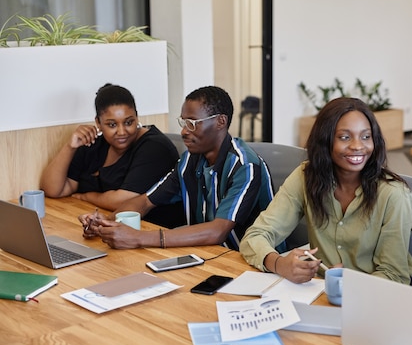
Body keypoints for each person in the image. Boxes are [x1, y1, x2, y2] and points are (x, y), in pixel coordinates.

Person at [240, 97, 412, 284]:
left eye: (366, 136)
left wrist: (348, 283)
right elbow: (256, 235)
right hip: (319, 291)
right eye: (345, 137)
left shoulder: (394, 195)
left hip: (371, 297)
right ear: (325, 141)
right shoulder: (306, 176)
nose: (357, 146)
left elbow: (394, 275)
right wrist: (278, 263)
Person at [79, 85, 275, 251]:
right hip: (205, 255)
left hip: (249, 263)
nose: (183, 132)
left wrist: (139, 238)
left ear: (220, 122)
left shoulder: (245, 166)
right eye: (183, 122)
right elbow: (145, 201)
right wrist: (107, 222)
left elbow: (218, 231)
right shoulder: (190, 159)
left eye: (191, 124)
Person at [40, 83, 184, 228]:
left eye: (129, 122)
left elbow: (123, 201)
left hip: (151, 229)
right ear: (98, 123)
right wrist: (70, 147)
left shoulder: (155, 147)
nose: (122, 132)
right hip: (104, 224)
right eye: (112, 125)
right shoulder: (94, 143)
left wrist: (86, 196)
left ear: (136, 116)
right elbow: (53, 190)